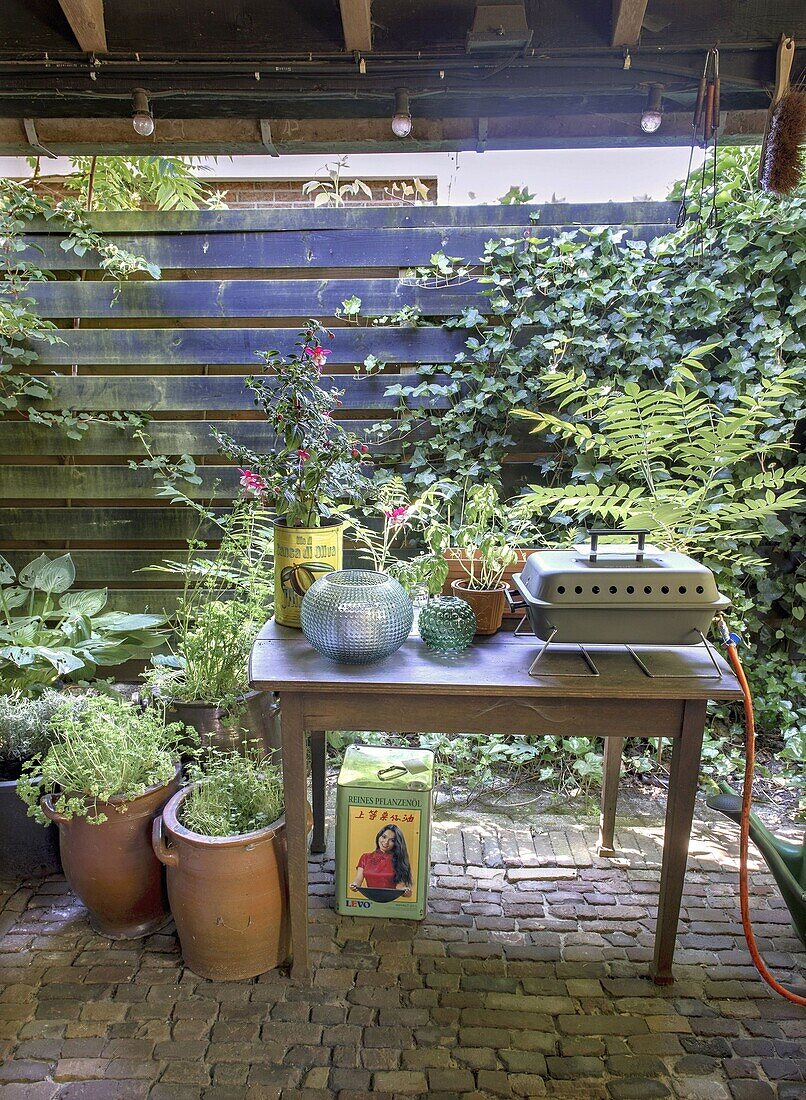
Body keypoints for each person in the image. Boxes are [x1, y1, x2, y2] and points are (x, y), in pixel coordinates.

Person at [350, 824, 412, 895]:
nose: (386, 842)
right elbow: (358, 880)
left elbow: (401, 886)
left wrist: (406, 891)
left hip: (390, 899)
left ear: (396, 843)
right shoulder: (365, 857)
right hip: (370, 898)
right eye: (384, 837)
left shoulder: (399, 860)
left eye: (392, 840)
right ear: (379, 836)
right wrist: (354, 885)